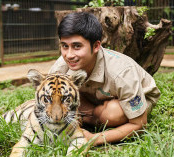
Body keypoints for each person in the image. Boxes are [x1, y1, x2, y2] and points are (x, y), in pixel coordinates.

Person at [49, 12, 160, 146]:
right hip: (93, 98)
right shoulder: (61, 66)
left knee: (112, 114)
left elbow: (139, 124)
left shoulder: (122, 72)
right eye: (64, 46)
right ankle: (91, 115)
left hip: (138, 97)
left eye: (77, 46)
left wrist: (95, 138)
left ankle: (88, 116)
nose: (69, 55)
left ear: (96, 46)